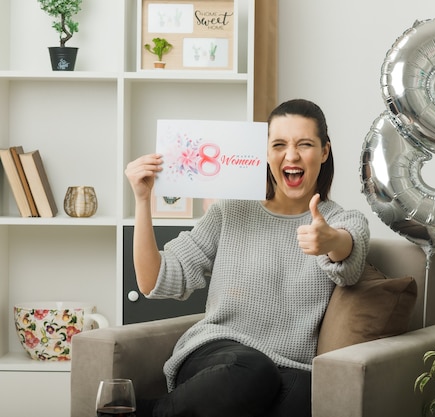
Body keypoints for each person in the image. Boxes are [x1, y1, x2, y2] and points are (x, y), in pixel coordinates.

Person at [124, 98, 370, 417]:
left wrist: (330, 240)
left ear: (324, 151)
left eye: (305, 144)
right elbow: (153, 280)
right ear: (265, 153)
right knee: (253, 369)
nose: (291, 155)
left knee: (306, 399)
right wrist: (142, 201)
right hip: (217, 354)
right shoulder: (230, 211)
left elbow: (350, 257)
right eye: (279, 144)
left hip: (289, 367)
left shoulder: (342, 220)